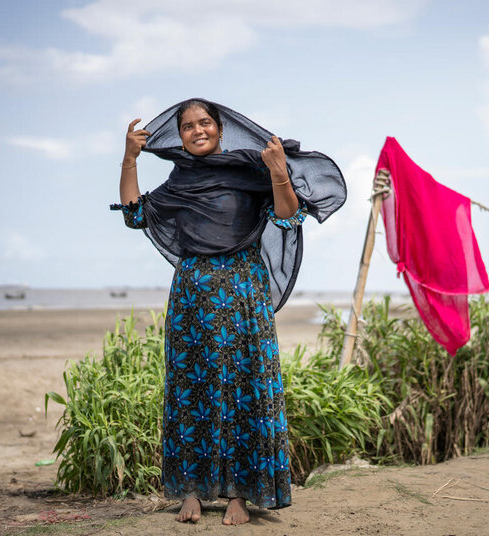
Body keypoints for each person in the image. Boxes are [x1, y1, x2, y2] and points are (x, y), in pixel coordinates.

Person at [111, 99, 345, 526]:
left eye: (204, 123)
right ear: (178, 135)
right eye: (187, 126)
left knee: (243, 388)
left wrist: (277, 172)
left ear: (221, 129)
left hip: (243, 294)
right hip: (192, 298)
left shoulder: (248, 171)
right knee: (190, 392)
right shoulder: (179, 181)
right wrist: (129, 159)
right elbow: (135, 215)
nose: (197, 131)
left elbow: (287, 216)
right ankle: (193, 492)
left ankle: (240, 495)